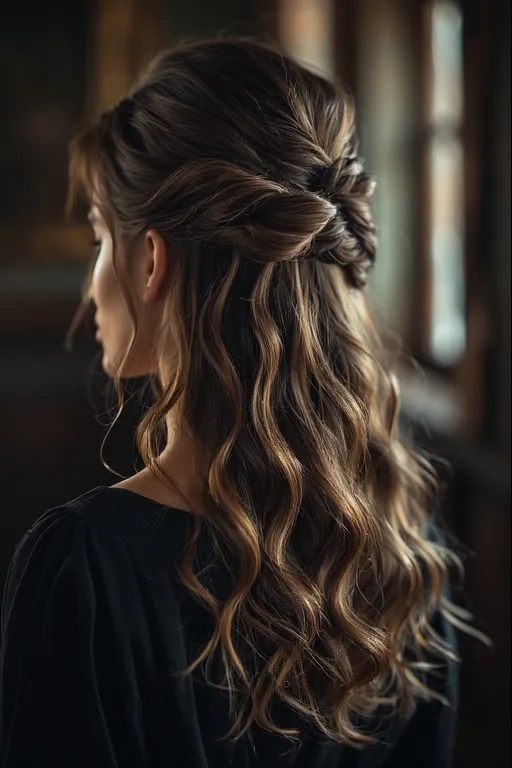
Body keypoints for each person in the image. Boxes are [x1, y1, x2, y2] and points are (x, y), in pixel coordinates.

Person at [0, 37, 473, 768]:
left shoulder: (86, 571)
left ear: (152, 261)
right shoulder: (410, 555)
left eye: (100, 235)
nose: (93, 281)